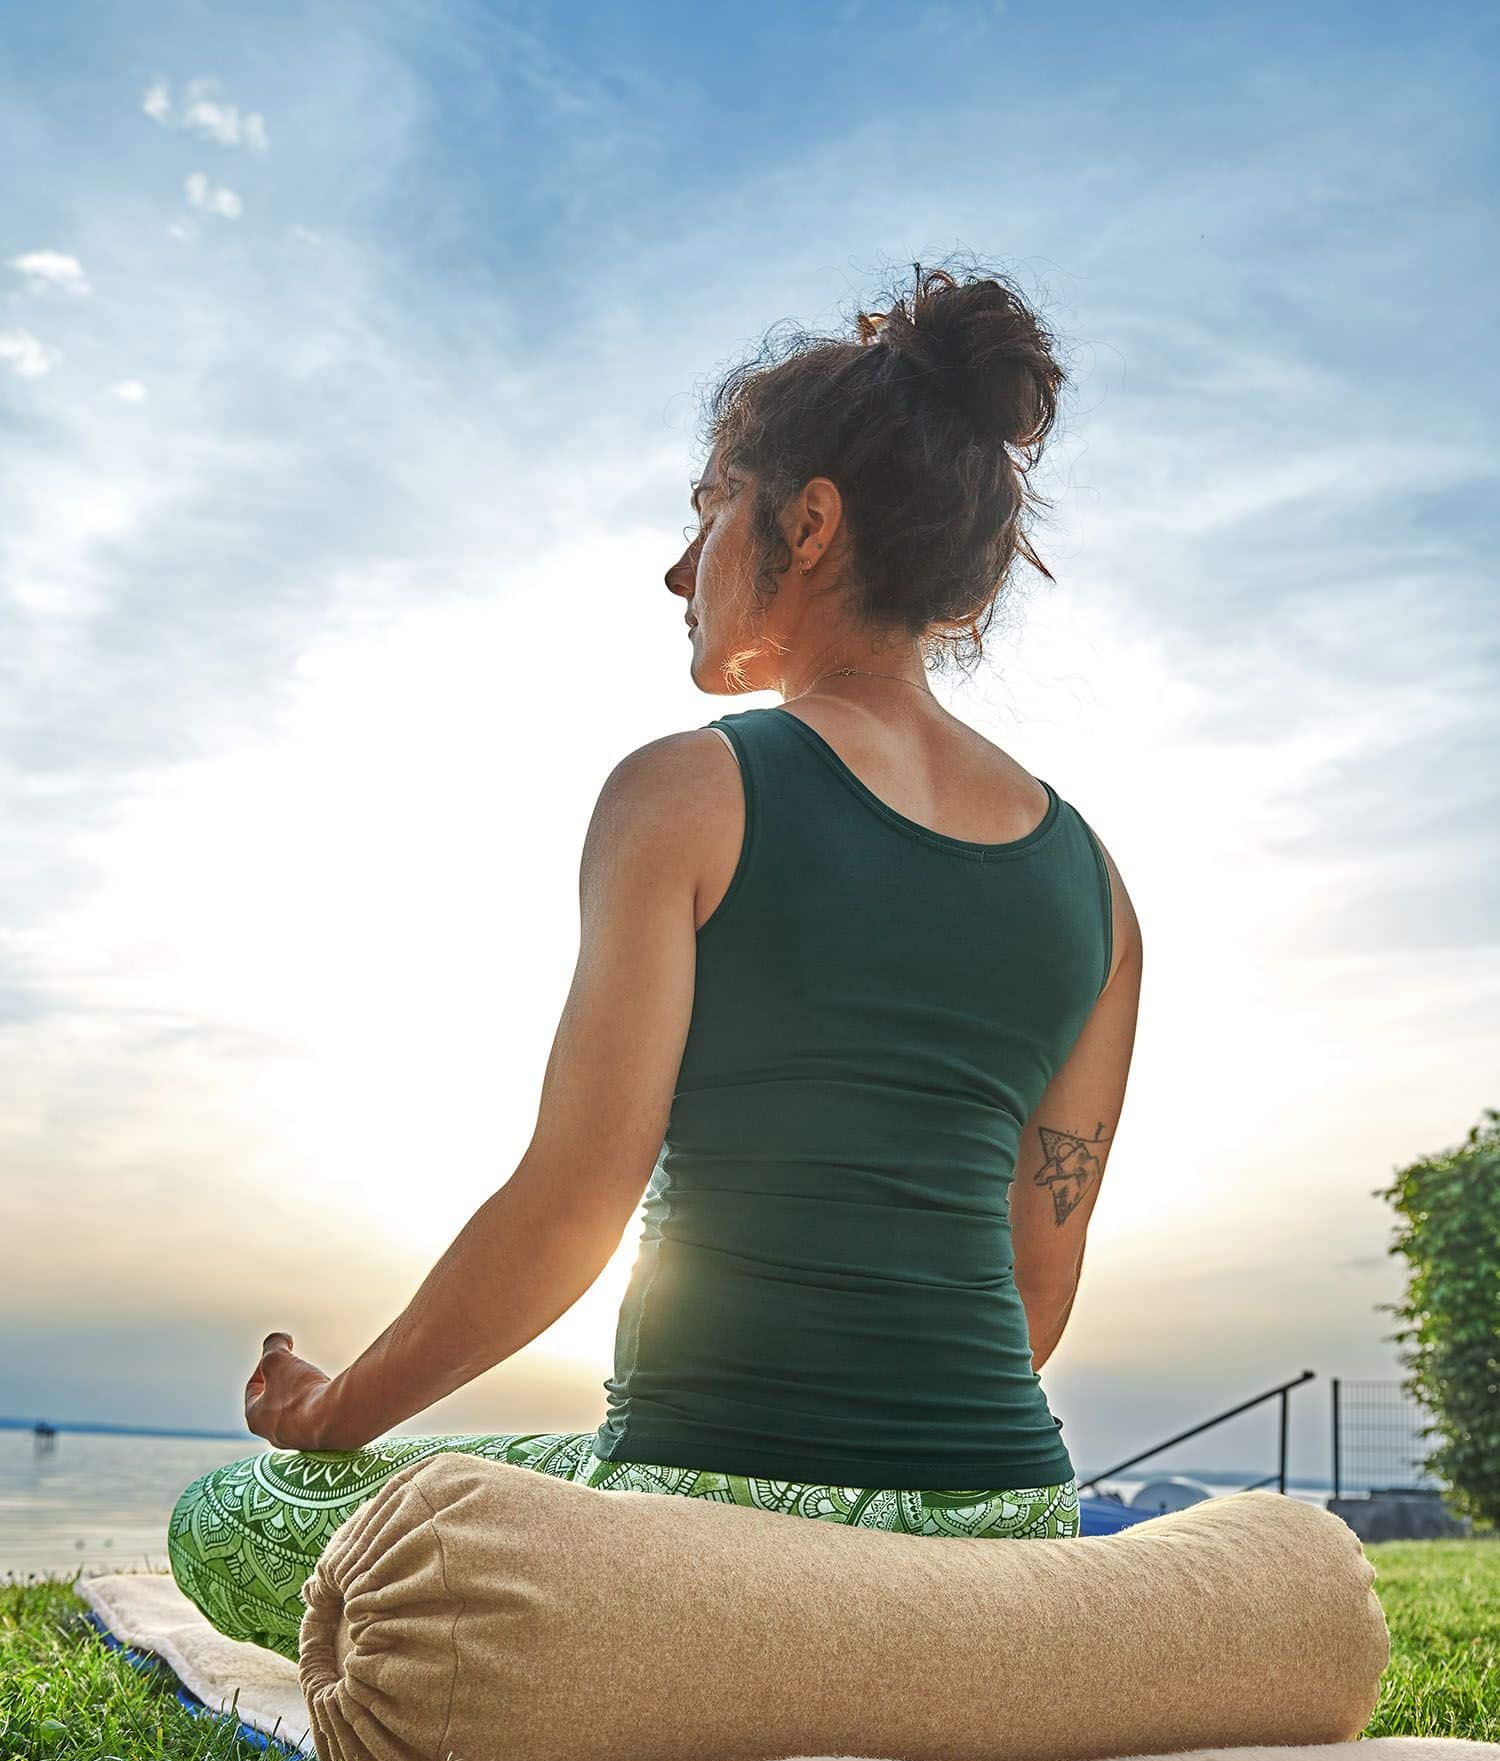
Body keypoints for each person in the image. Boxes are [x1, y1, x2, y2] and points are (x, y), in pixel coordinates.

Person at [169, 260, 1143, 1660]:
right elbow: (1035, 1297)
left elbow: (573, 1205)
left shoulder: (685, 792)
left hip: (698, 1534)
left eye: (705, 515)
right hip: (1001, 1541)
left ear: (807, 524)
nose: (680, 569)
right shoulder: (1099, 888)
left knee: (231, 1513)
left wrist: (331, 1416)